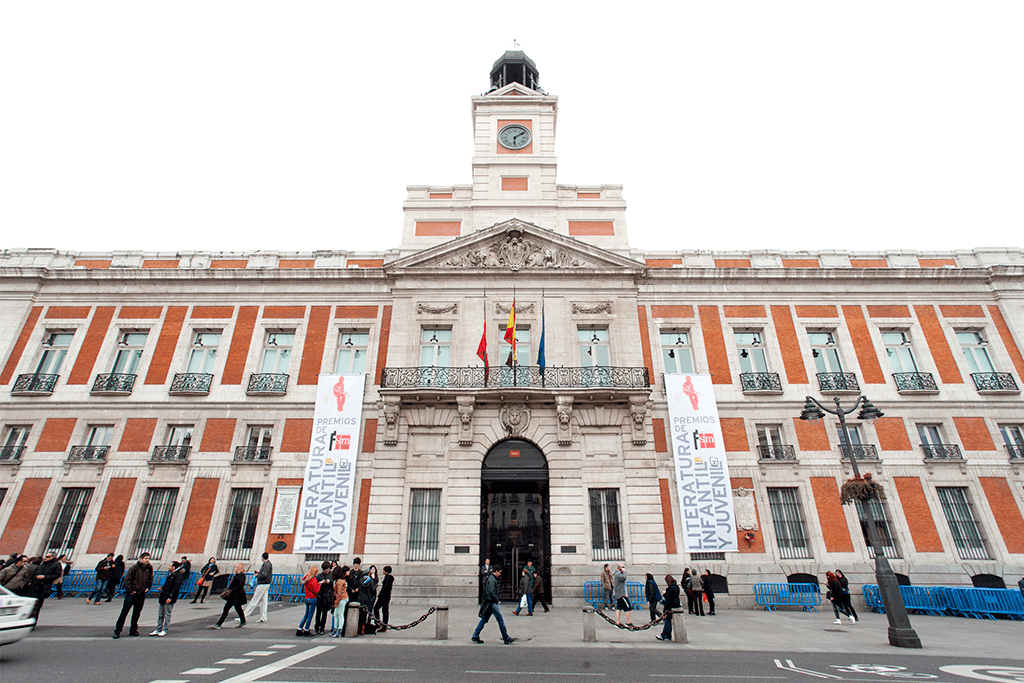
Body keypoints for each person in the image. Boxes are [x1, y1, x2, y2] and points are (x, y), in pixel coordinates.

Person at [471, 566, 515, 644]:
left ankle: (475, 635)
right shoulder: (492, 579)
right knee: (500, 620)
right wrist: (496, 599)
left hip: (489, 603)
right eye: (499, 572)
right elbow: (491, 592)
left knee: (484, 620)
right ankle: (506, 638)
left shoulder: (492, 578)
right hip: (493, 603)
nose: (500, 574)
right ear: (496, 571)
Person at [113, 552, 153, 638]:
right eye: (146, 558)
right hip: (132, 593)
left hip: (141, 593)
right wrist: (131, 590)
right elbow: (127, 580)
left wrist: (148, 587)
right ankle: (118, 630)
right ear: (141, 559)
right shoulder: (134, 568)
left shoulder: (149, 568)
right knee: (125, 612)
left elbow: (150, 579)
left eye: (148, 558)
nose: (147, 560)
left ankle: (133, 629)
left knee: (137, 612)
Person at [27, 552, 63, 626]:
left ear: (53, 557)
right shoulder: (43, 564)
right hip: (34, 586)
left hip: (43, 587)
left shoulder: (56, 564)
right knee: (31, 605)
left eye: (47, 557)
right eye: (45, 556)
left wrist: (45, 577)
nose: (45, 558)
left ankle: (32, 623)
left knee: (37, 606)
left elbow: (57, 575)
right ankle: (28, 621)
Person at [152, 561, 186, 636]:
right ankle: (158, 629)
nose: (168, 567)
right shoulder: (171, 575)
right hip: (163, 596)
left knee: (167, 614)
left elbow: (176, 587)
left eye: (170, 566)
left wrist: (171, 597)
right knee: (160, 614)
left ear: (173, 567)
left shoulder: (178, 576)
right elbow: (168, 585)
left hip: (169, 597)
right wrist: (162, 588)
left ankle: (165, 629)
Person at [209, 562, 248, 629]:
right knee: (238, 609)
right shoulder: (237, 575)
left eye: (236, 567)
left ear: (239, 568)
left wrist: (233, 589)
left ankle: (219, 624)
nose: (234, 569)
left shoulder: (241, 575)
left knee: (227, 608)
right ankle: (243, 621)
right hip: (235, 595)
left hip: (236, 595)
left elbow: (240, 584)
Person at [242, 552, 273, 623]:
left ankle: (244, 616)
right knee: (264, 602)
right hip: (266, 584)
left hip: (263, 584)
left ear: (262, 557)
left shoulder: (267, 565)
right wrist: (259, 573)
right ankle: (263, 617)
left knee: (254, 600)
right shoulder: (268, 564)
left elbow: (264, 575)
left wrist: (257, 575)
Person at [655, 575, 680, 641]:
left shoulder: (669, 589)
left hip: (669, 606)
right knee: (668, 620)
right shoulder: (676, 587)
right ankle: (668, 635)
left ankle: (663, 635)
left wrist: (664, 593)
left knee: (667, 621)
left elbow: (668, 597)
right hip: (676, 605)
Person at [297, 565, 320, 636]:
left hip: (307, 598)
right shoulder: (313, 580)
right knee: (310, 615)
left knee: (306, 615)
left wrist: (307, 573)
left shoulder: (306, 579)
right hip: (312, 598)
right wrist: (319, 584)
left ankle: (300, 628)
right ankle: (306, 629)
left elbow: (303, 579)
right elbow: (316, 590)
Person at [315, 560, 334, 635]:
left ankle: (322, 627)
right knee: (318, 613)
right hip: (320, 596)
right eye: (324, 570)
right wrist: (321, 582)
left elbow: (333, 583)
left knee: (325, 613)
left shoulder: (331, 575)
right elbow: (317, 584)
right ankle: (317, 627)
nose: (325, 571)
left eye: (326, 570)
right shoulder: (319, 576)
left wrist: (329, 581)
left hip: (327, 596)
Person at [330, 565, 350, 637]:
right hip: (343, 598)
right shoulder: (341, 580)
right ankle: (336, 629)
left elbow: (339, 593)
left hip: (342, 598)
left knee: (340, 614)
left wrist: (336, 602)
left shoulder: (339, 582)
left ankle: (339, 630)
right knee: (336, 614)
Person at [358, 565, 377, 633]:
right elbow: (373, 590)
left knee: (360, 614)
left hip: (360, 598)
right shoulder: (370, 580)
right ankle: (363, 629)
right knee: (365, 614)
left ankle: (358, 628)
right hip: (367, 598)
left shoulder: (360, 580)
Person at [375, 565, 394, 629]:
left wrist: (379, 596)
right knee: (385, 610)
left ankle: (379, 623)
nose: (382, 571)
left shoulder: (387, 578)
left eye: (383, 570)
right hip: (387, 597)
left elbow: (384, 588)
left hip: (383, 597)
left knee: (376, 608)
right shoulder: (390, 578)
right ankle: (384, 624)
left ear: (386, 572)